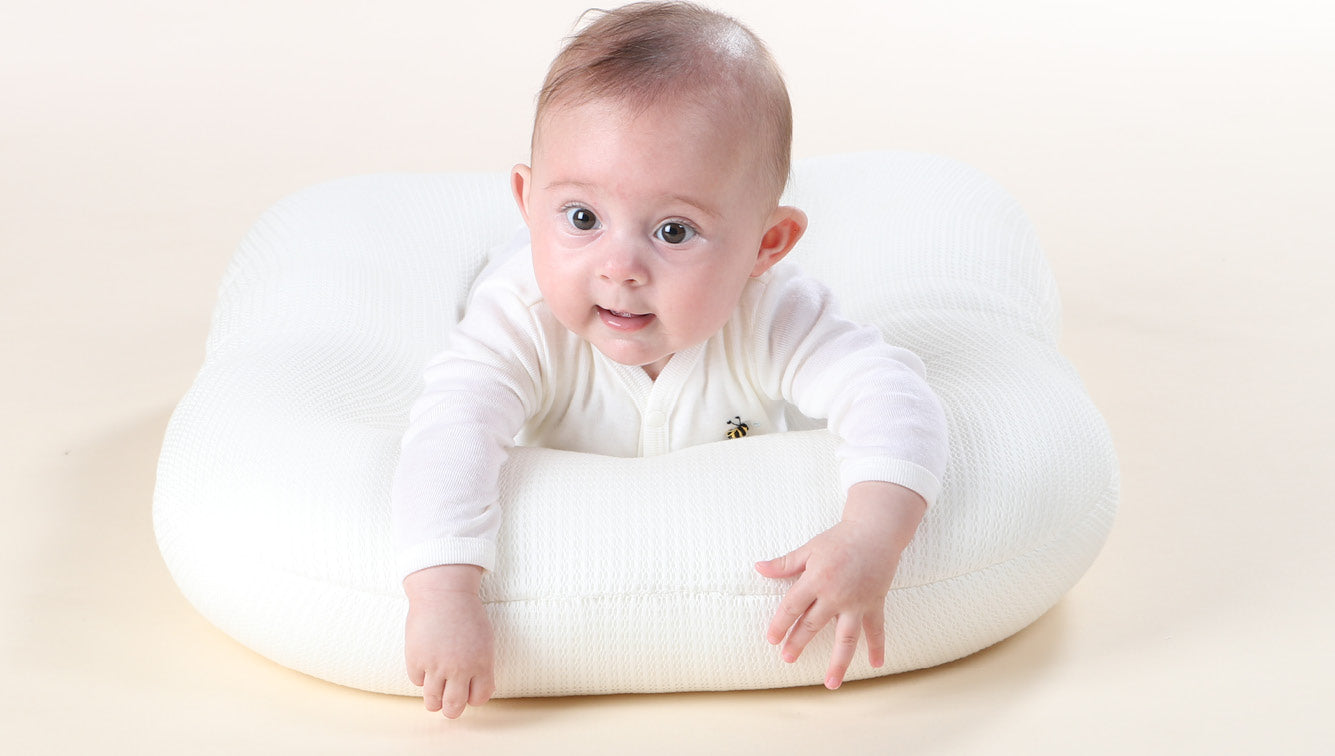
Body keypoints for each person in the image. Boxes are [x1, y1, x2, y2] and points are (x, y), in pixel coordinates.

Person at [390, 1, 947, 719]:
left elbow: (891, 392)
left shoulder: (770, 311)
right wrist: (442, 592)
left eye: (674, 230)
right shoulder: (523, 319)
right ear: (529, 204)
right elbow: (451, 433)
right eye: (581, 217)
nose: (620, 266)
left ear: (766, 247)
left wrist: (873, 534)